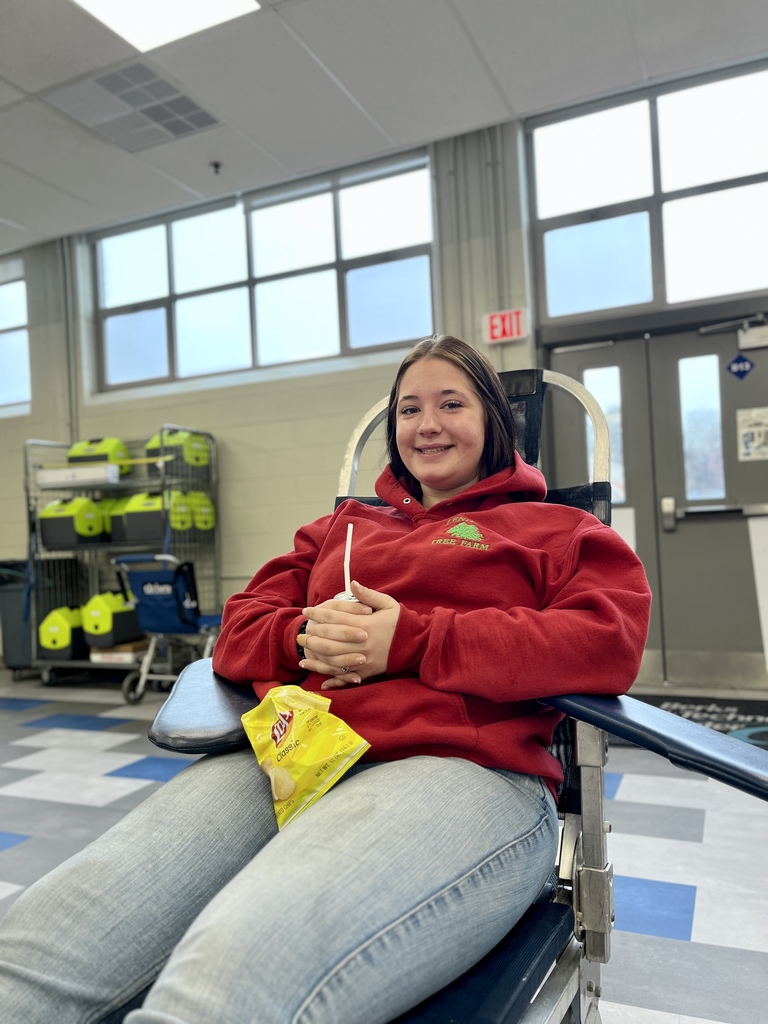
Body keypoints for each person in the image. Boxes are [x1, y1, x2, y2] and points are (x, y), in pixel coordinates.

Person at [0, 335, 651, 1024]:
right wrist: (302, 634)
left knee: (225, 983)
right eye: (408, 409)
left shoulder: (557, 531)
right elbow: (241, 627)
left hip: (461, 771)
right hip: (300, 754)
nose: (426, 424)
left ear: (495, 421)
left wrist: (415, 641)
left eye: (451, 403)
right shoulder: (340, 530)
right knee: (48, 938)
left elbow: (606, 643)